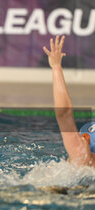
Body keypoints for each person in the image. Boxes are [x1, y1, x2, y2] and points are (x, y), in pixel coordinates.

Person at [43, 35, 95, 167]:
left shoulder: (82, 157)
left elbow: (64, 114)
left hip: (59, 186)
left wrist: (56, 67)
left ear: (84, 140)